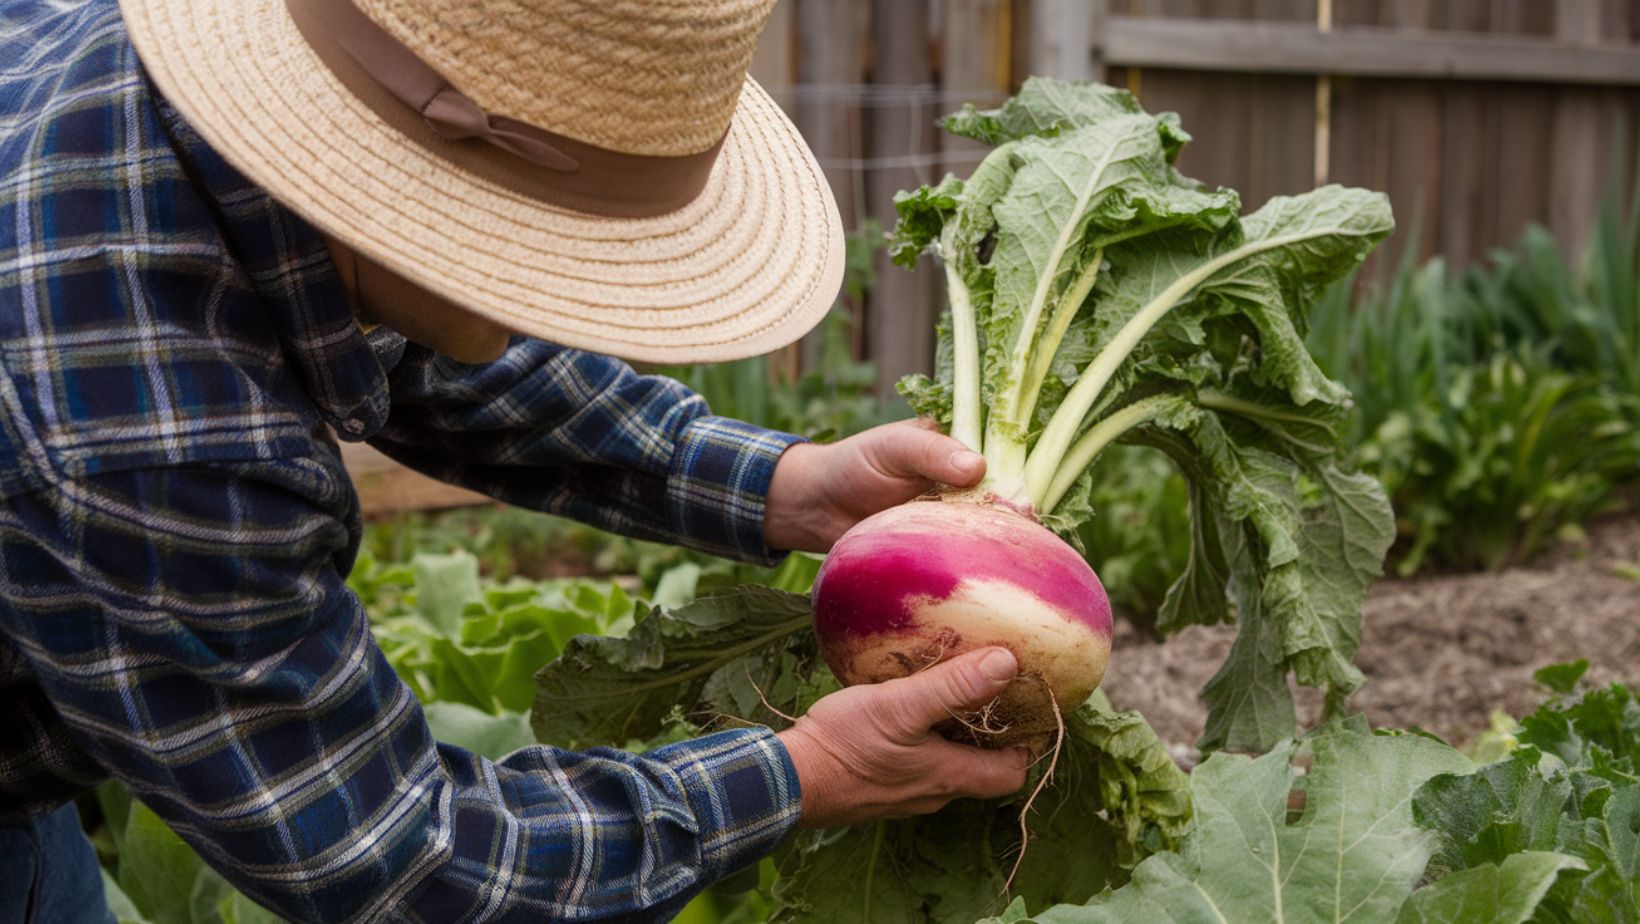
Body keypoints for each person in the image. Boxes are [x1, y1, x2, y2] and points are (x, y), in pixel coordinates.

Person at [0, 0, 1034, 920]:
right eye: (556, 249)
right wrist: (806, 770)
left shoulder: (151, 98)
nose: (565, 297)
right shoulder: (143, 443)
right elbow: (401, 862)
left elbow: (417, 336)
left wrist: (779, 484)